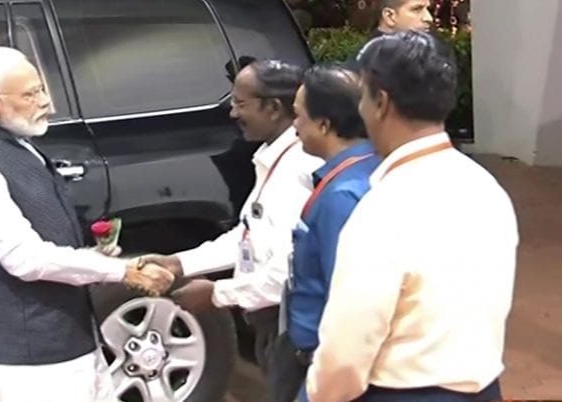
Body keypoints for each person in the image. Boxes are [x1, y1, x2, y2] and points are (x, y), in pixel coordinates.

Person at [0, 46, 174, 402]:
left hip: (66, 338)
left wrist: (91, 258)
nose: (46, 103)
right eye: (31, 94)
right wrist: (120, 271)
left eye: (42, 90)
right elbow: (25, 258)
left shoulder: (19, 143)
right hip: (21, 359)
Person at [306, 31, 518, 402]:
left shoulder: (381, 208)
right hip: (483, 388)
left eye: (363, 96)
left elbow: (345, 355)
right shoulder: (486, 187)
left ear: (381, 103)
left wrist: (319, 393)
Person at [136, 60, 323, 373]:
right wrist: (180, 262)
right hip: (272, 320)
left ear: (273, 108)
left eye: (240, 103)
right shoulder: (273, 158)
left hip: (290, 324)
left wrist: (217, 295)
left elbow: (289, 269)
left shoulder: (299, 169)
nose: (233, 113)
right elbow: (249, 235)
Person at [267, 65, 381, 402]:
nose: (294, 125)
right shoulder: (363, 170)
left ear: (324, 124)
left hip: (322, 362)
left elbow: (348, 303)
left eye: (299, 115)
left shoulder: (341, 196)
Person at [345, 0, 433, 71]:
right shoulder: (373, 64)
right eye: (417, 9)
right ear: (389, 16)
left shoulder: (410, 53)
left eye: (428, 9)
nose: (429, 18)